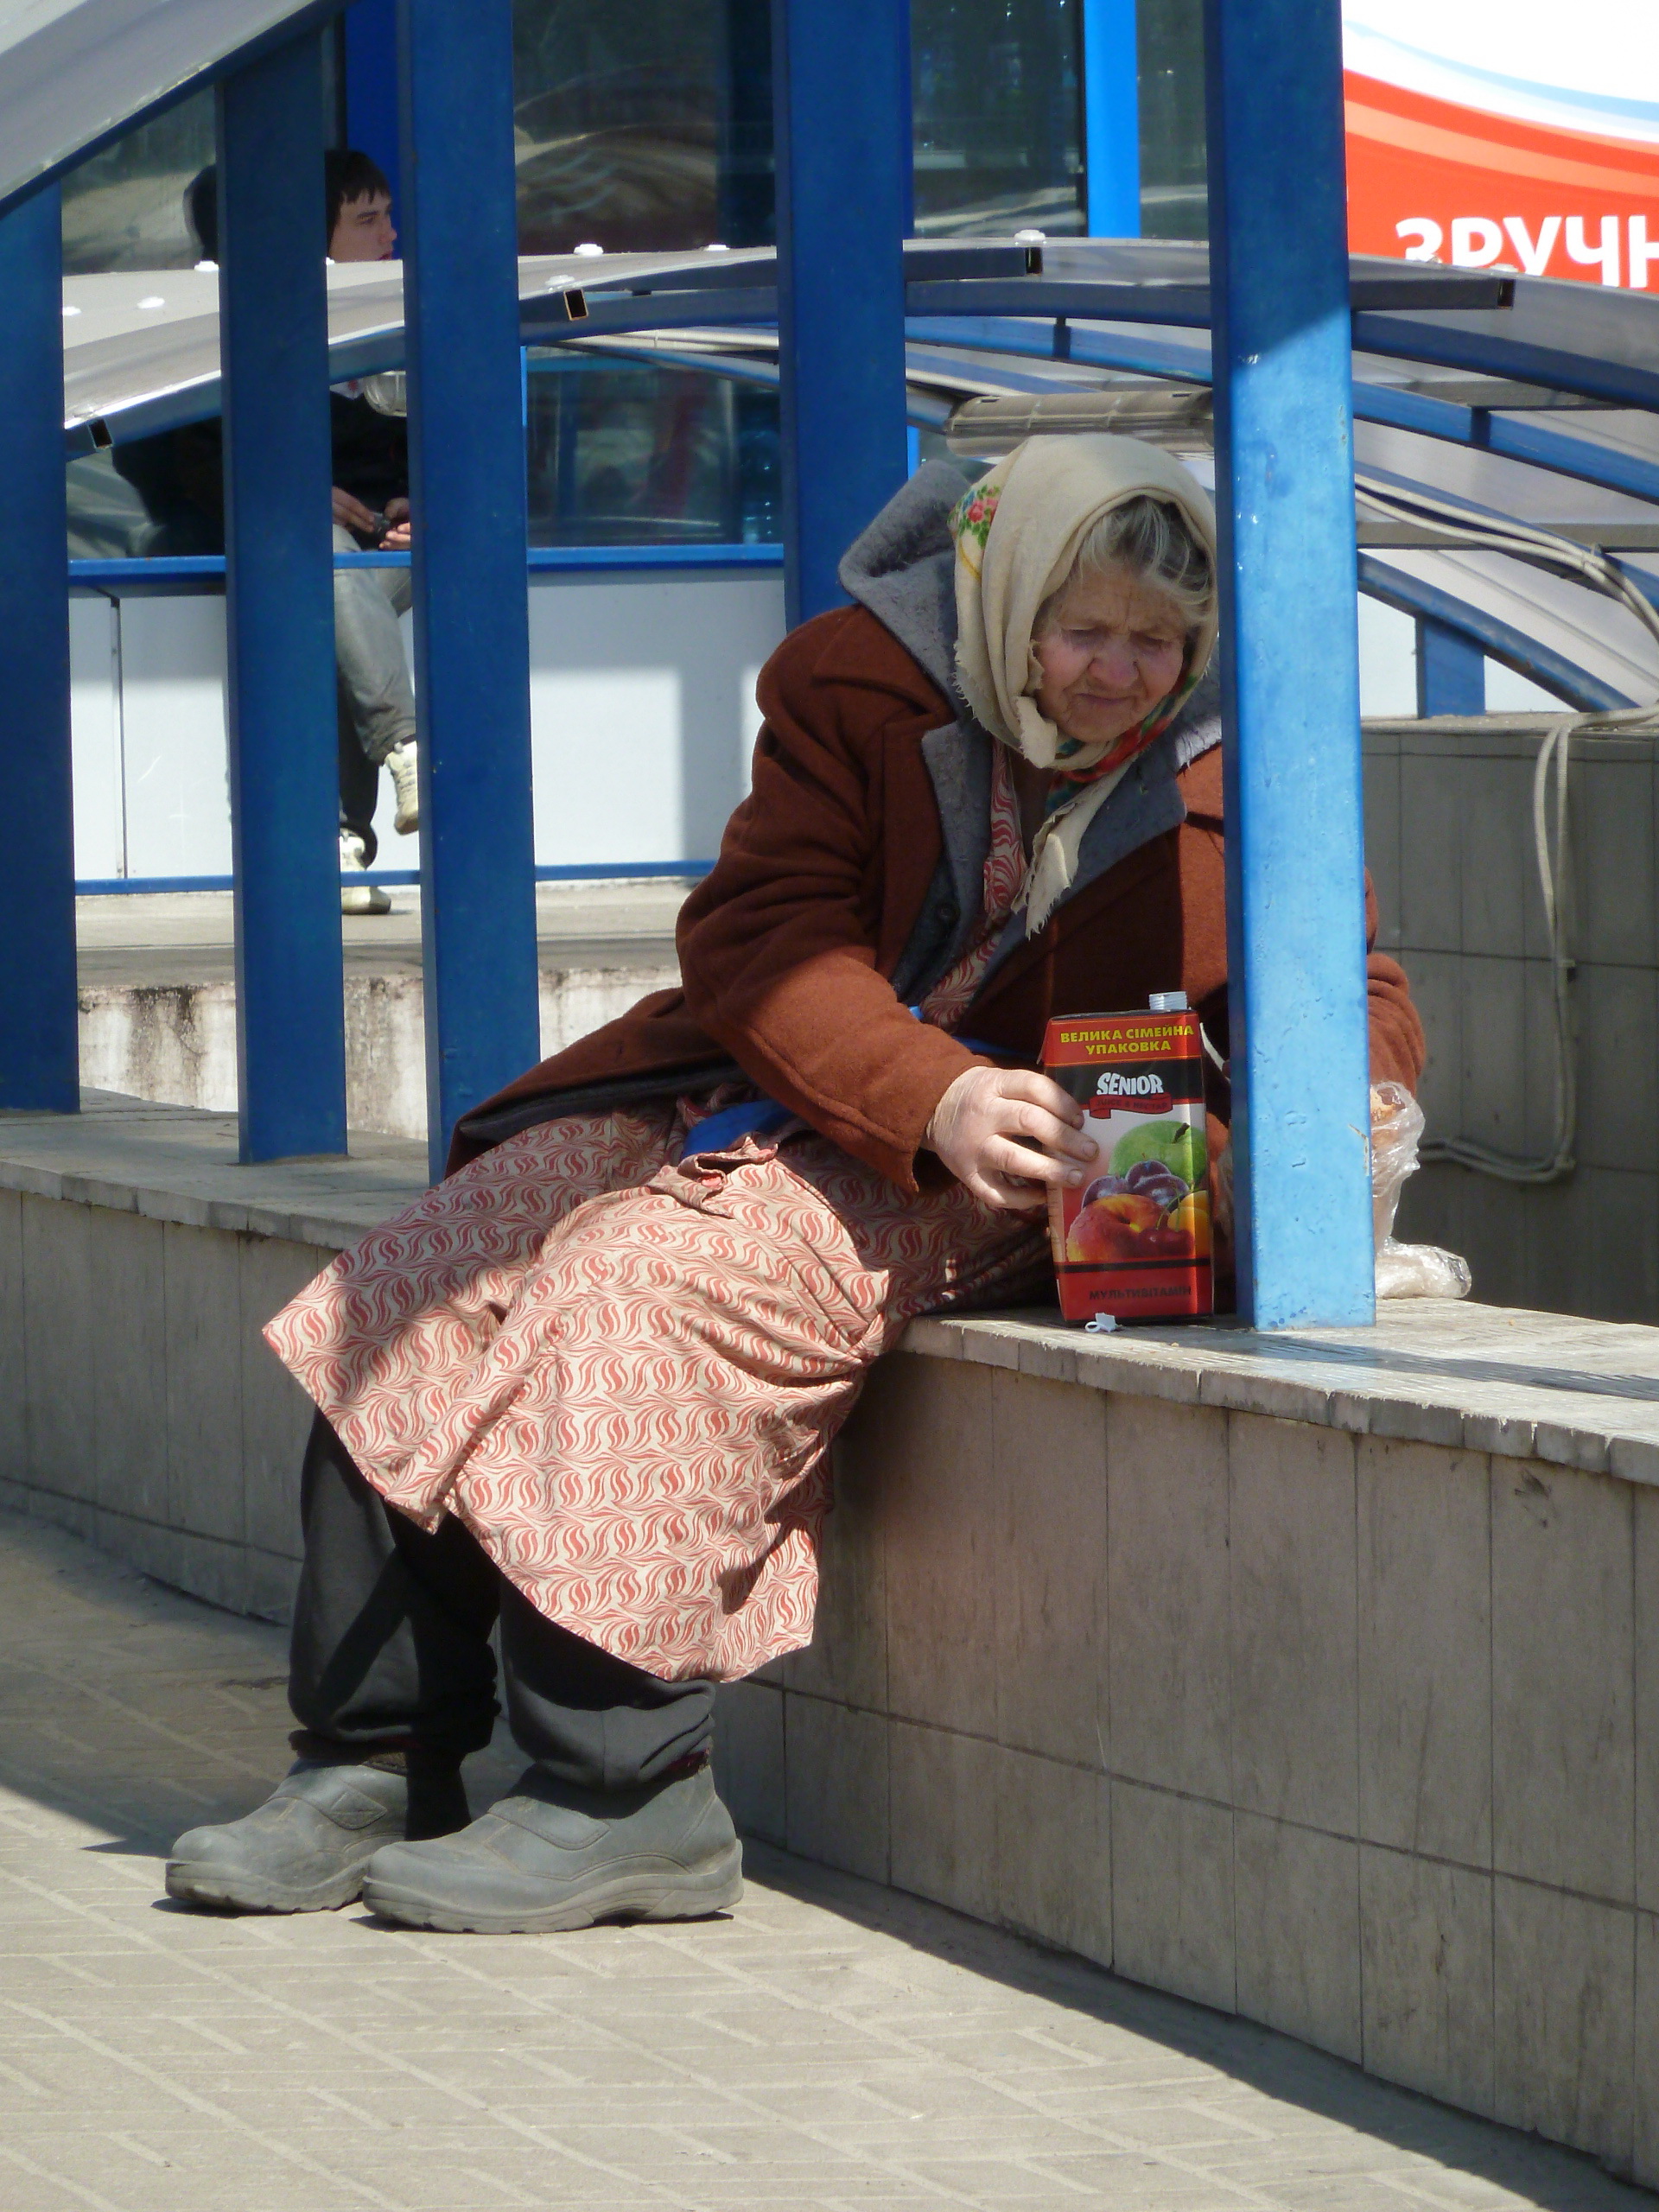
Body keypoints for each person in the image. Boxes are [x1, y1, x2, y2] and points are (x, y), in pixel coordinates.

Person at [164, 435, 1426, 1935]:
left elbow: (1353, 987)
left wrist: (1324, 1121)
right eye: (1084, 629)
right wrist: (929, 1092)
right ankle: (372, 1759)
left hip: (1050, 1153)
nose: (1120, 673)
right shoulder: (859, 680)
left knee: (651, 1281)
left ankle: (625, 1793)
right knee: (431, 1272)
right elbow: (763, 936)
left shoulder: (1247, 748)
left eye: (1160, 642)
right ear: (1005, 596)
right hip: (800, 1080)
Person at [117, 151, 421, 917]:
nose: (390, 235)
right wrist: (294, 496)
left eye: (388, 216)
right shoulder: (235, 334)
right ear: (313, 239)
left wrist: (418, 502)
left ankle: (341, 836)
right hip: (286, 545)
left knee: (335, 594)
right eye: (368, 220)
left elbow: (454, 439)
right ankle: (398, 753)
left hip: (390, 549)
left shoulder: (402, 319)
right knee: (324, 573)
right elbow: (184, 462)